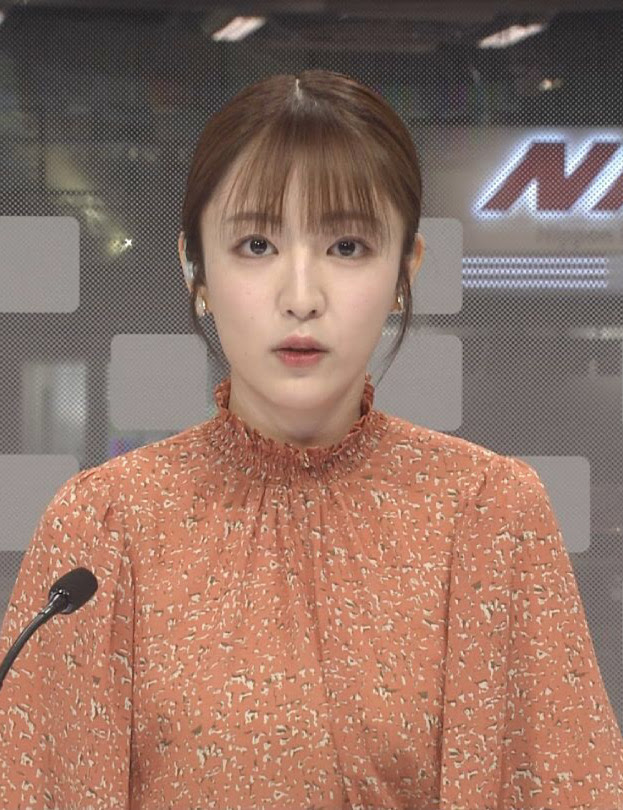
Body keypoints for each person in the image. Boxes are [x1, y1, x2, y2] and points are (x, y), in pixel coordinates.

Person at [1, 68, 622, 810]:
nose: (301, 297)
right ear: (195, 270)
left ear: (405, 271)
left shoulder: (489, 513)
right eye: (256, 244)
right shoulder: (104, 525)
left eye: (348, 246)